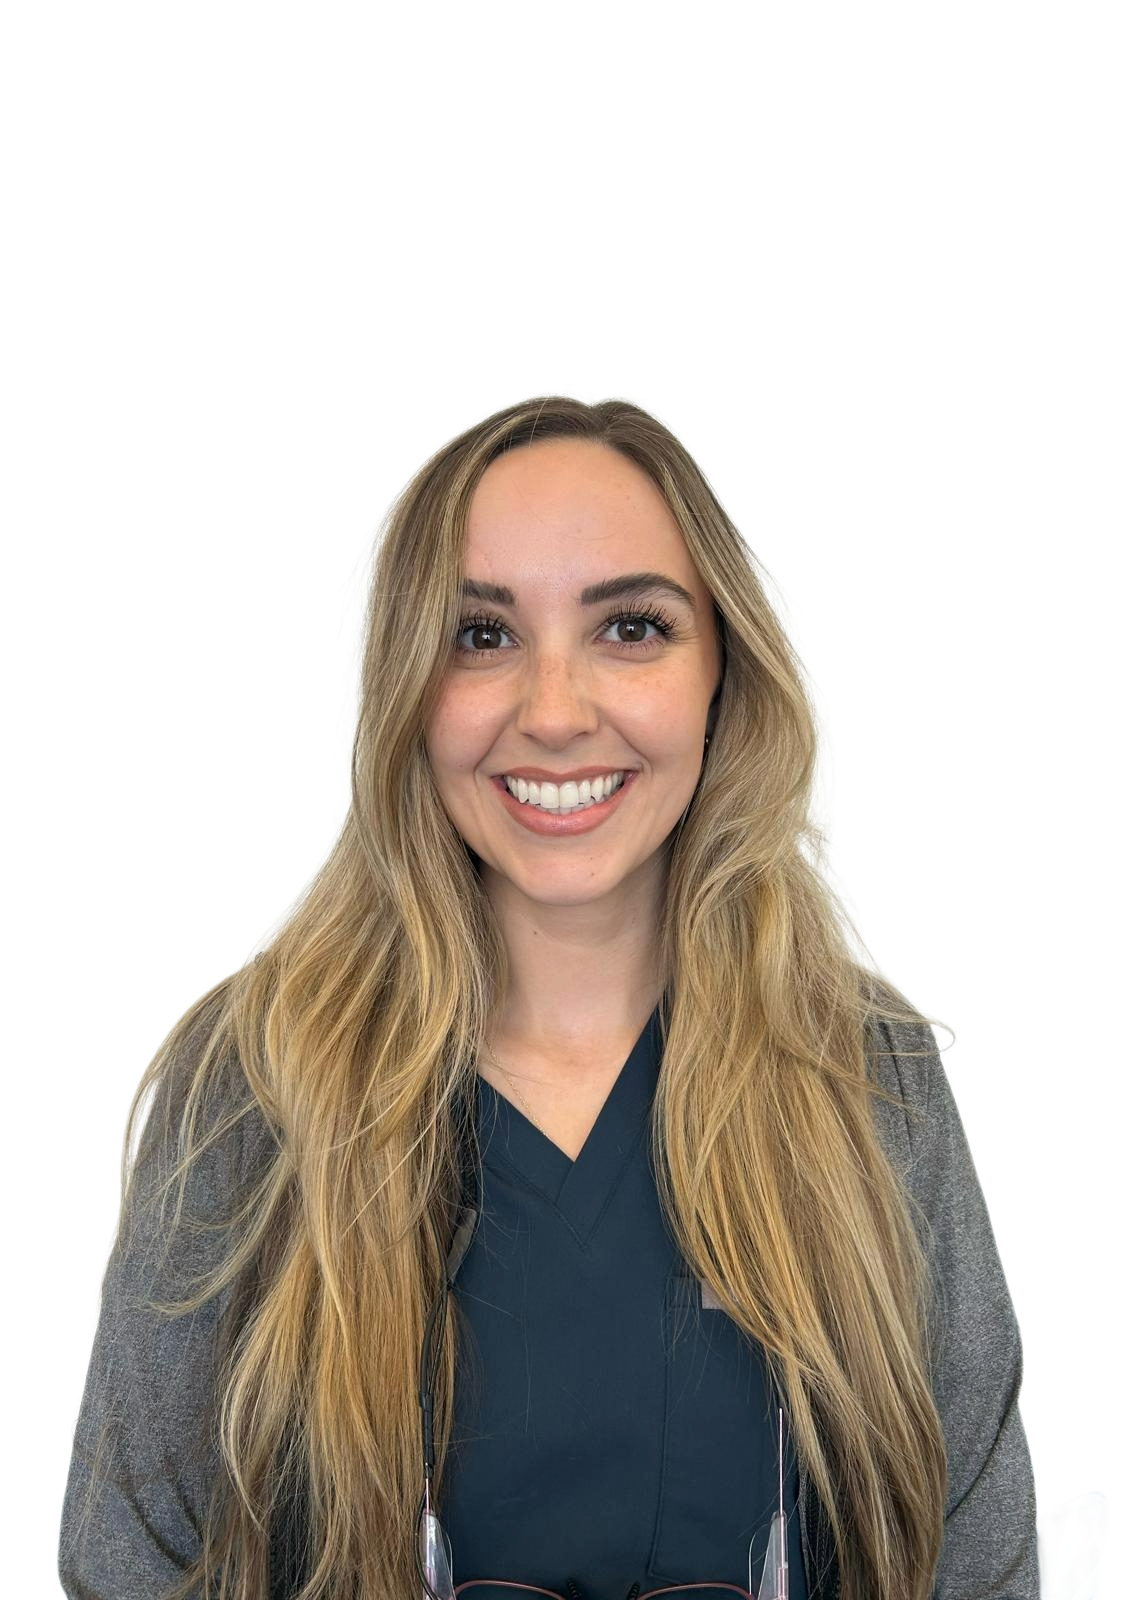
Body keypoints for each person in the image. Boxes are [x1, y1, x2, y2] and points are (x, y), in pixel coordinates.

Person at [57, 388, 1040, 1600]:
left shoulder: (870, 1081)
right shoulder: (249, 1090)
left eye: (631, 628)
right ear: (407, 689)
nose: (556, 711)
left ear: (725, 669)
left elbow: (984, 1567)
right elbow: (126, 1565)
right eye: (483, 636)